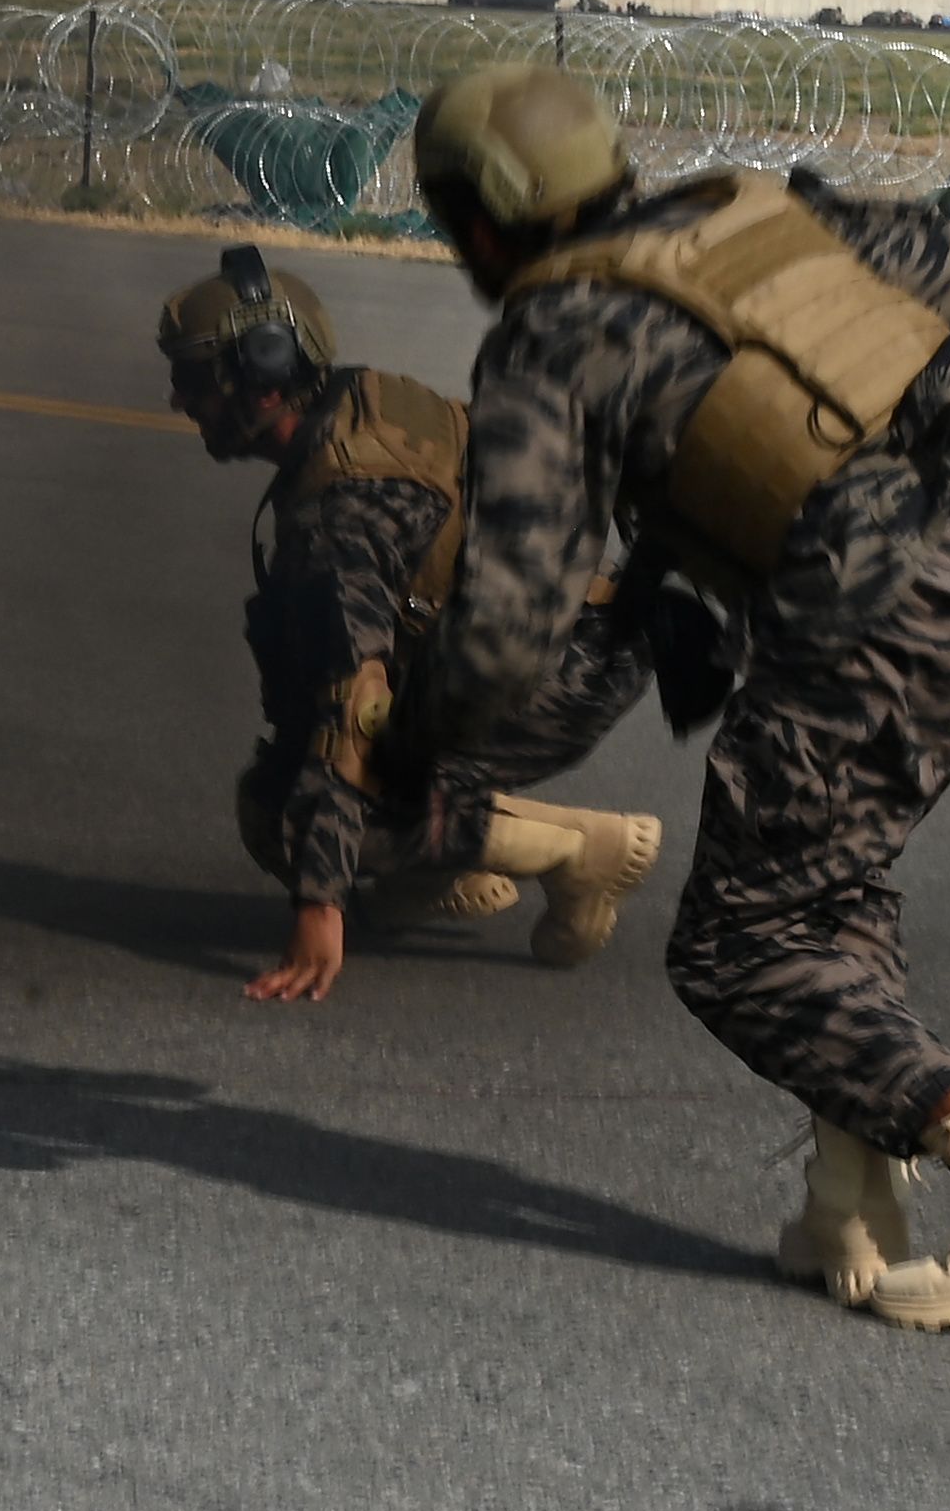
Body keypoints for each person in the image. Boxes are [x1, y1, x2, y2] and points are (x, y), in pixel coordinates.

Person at [408, 67, 950, 1330]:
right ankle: (848, 1210)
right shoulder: (750, 212)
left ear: (479, 217)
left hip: (875, 624)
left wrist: (417, 746)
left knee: (738, 945)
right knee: (820, 880)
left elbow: (507, 626)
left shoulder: (550, 334)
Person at [154, 243, 663, 1006]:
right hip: (575, 633)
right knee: (316, 736)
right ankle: (443, 871)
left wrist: (317, 902)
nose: (180, 402)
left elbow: (354, 708)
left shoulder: (340, 512)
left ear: (261, 385)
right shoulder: (362, 402)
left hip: (558, 675)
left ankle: (576, 852)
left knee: (283, 811)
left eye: (195, 382)